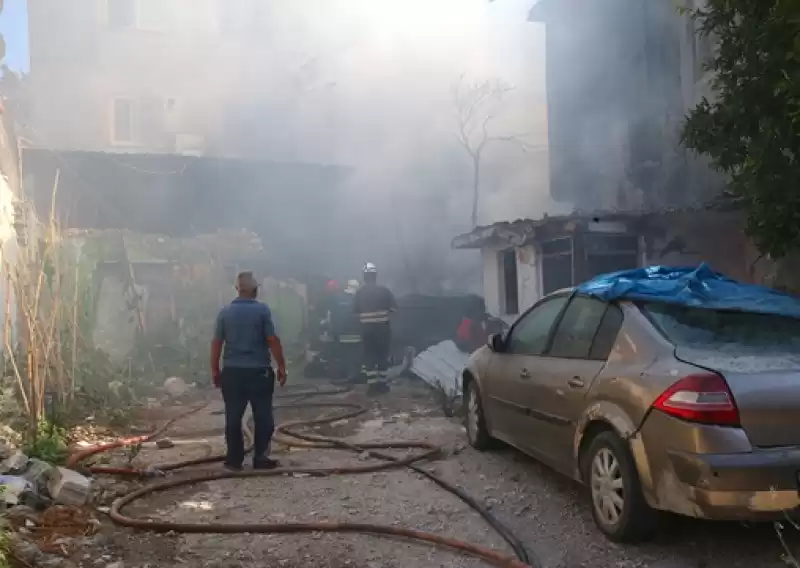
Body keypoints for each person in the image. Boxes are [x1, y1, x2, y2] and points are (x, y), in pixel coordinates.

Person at [210, 271, 287, 472]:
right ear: (255, 290)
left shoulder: (224, 312)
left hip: (233, 372)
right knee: (263, 416)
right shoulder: (262, 311)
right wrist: (282, 366)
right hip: (259, 372)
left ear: (238, 289)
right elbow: (272, 340)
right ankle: (260, 458)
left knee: (233, 417)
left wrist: (215, 370)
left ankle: (234, 461)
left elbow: (217, 343)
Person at [352, 262, 397, 378]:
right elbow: (394, 309)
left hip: (366, 330)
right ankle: (381, 384)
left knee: (369, 355)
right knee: (382, 355)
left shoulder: (359, 293)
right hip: (383, 330)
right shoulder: (385, 291)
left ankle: (372, 384)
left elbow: (355, 313)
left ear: (364, 277)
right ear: (375, 275)